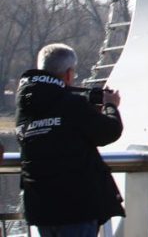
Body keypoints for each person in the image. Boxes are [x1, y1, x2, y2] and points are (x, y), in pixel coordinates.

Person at [15, 43, 125, 234]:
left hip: (41, 208)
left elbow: (53, 137)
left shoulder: (25, 106)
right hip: (77, 207)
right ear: (68, 74)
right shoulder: (72, 103)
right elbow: (109, 132)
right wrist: (111, 106)